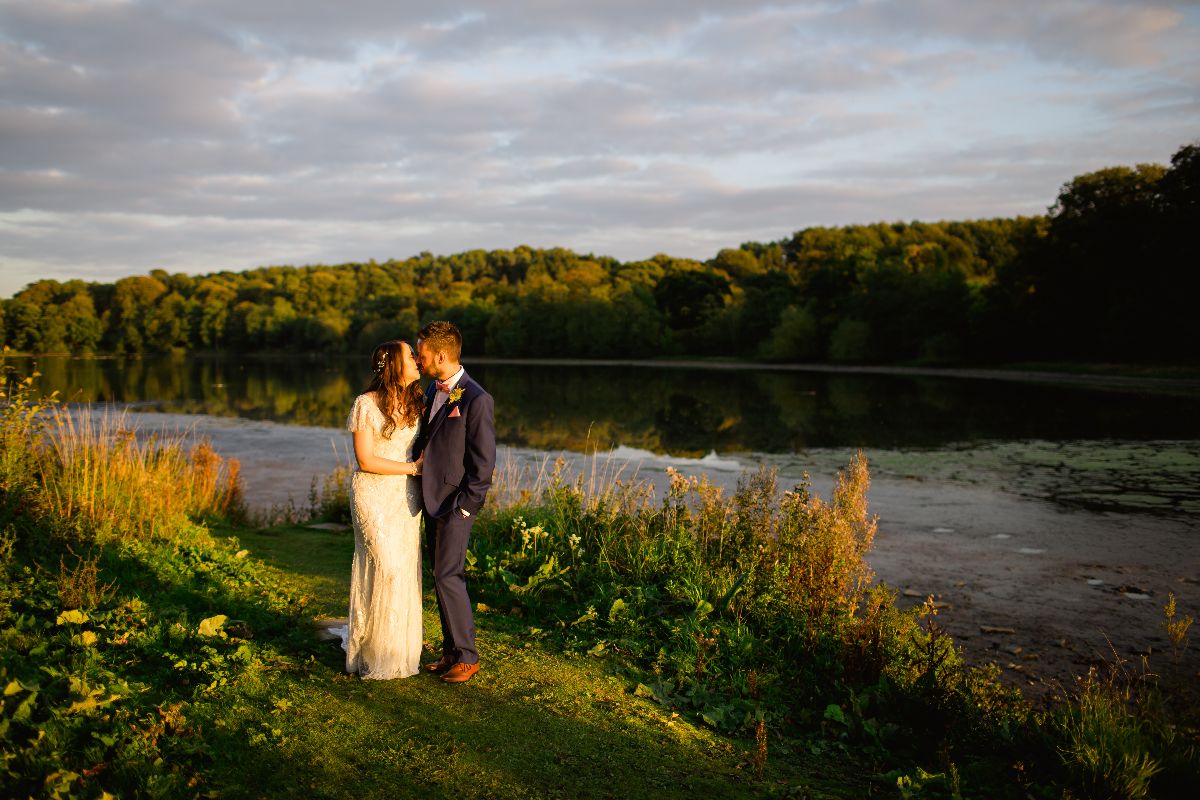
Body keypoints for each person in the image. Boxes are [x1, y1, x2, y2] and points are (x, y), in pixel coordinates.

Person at [413, 320, 496, 684]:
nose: (418, 360)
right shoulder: (434, 389)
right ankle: (450, 652)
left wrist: (466, 506)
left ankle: (467, 657)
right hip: (432, 499)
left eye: (422, 354)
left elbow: (483, 463)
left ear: (441, 355)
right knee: (440, 575)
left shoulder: (477, 399)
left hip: (455, 504)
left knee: (449, 575)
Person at [341, 340, 426, 679]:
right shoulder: (365, 404)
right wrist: (414, 469)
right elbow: (365, 459)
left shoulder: (418, 401)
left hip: (406, 497)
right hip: (373, 495)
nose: (417, 360)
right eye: (410, 355)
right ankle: (370, 652)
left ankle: (397, 653)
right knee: (385, 566)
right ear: (393, 364)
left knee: (402, 570)